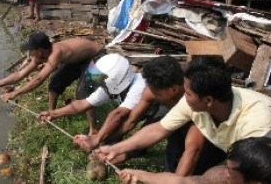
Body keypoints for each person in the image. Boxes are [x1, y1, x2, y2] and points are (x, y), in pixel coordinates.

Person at [95, 57, 271, 166]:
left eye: (187, 93)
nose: (183, 97)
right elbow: (158, 129)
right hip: (226, 147)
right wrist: (115, 148)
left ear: (208, 100)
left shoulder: (257, 124)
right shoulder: (196, 101)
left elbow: (243, 172)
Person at [76, 56, 225, 175]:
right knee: (170, 161)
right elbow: (133, 124)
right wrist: (106, 144)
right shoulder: (154, 92)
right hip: (179, 121)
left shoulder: (196, 103)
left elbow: (193, 150)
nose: (152, 95)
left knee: (191, 169)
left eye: (157, 93)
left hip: (217, 137)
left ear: (174, 90)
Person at [0, 32, 105, 128]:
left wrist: (15, 93)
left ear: (40, 50)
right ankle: (51, 114)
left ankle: (93, 130)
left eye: (31, 50)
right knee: (54, 84)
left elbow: (39, 79)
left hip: (98, 58)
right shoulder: (40, 55)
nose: (29, 52)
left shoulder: (55, 53)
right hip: (78, 59)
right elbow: (19, 74)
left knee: (83, 93)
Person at [37, 53, 145, 136]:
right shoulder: (112, 86)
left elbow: (119, 116)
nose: (100, 87)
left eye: (102, 81)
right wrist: (52, 113)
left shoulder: (138, 89)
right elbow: (83, 104)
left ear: (115, 81)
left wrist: (97, 139)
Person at [117, 136, 271, 184]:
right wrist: (140, 175)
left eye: (230, 171)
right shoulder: (221, 178)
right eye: (227, 166)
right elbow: (181, 182)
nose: (225, 172)